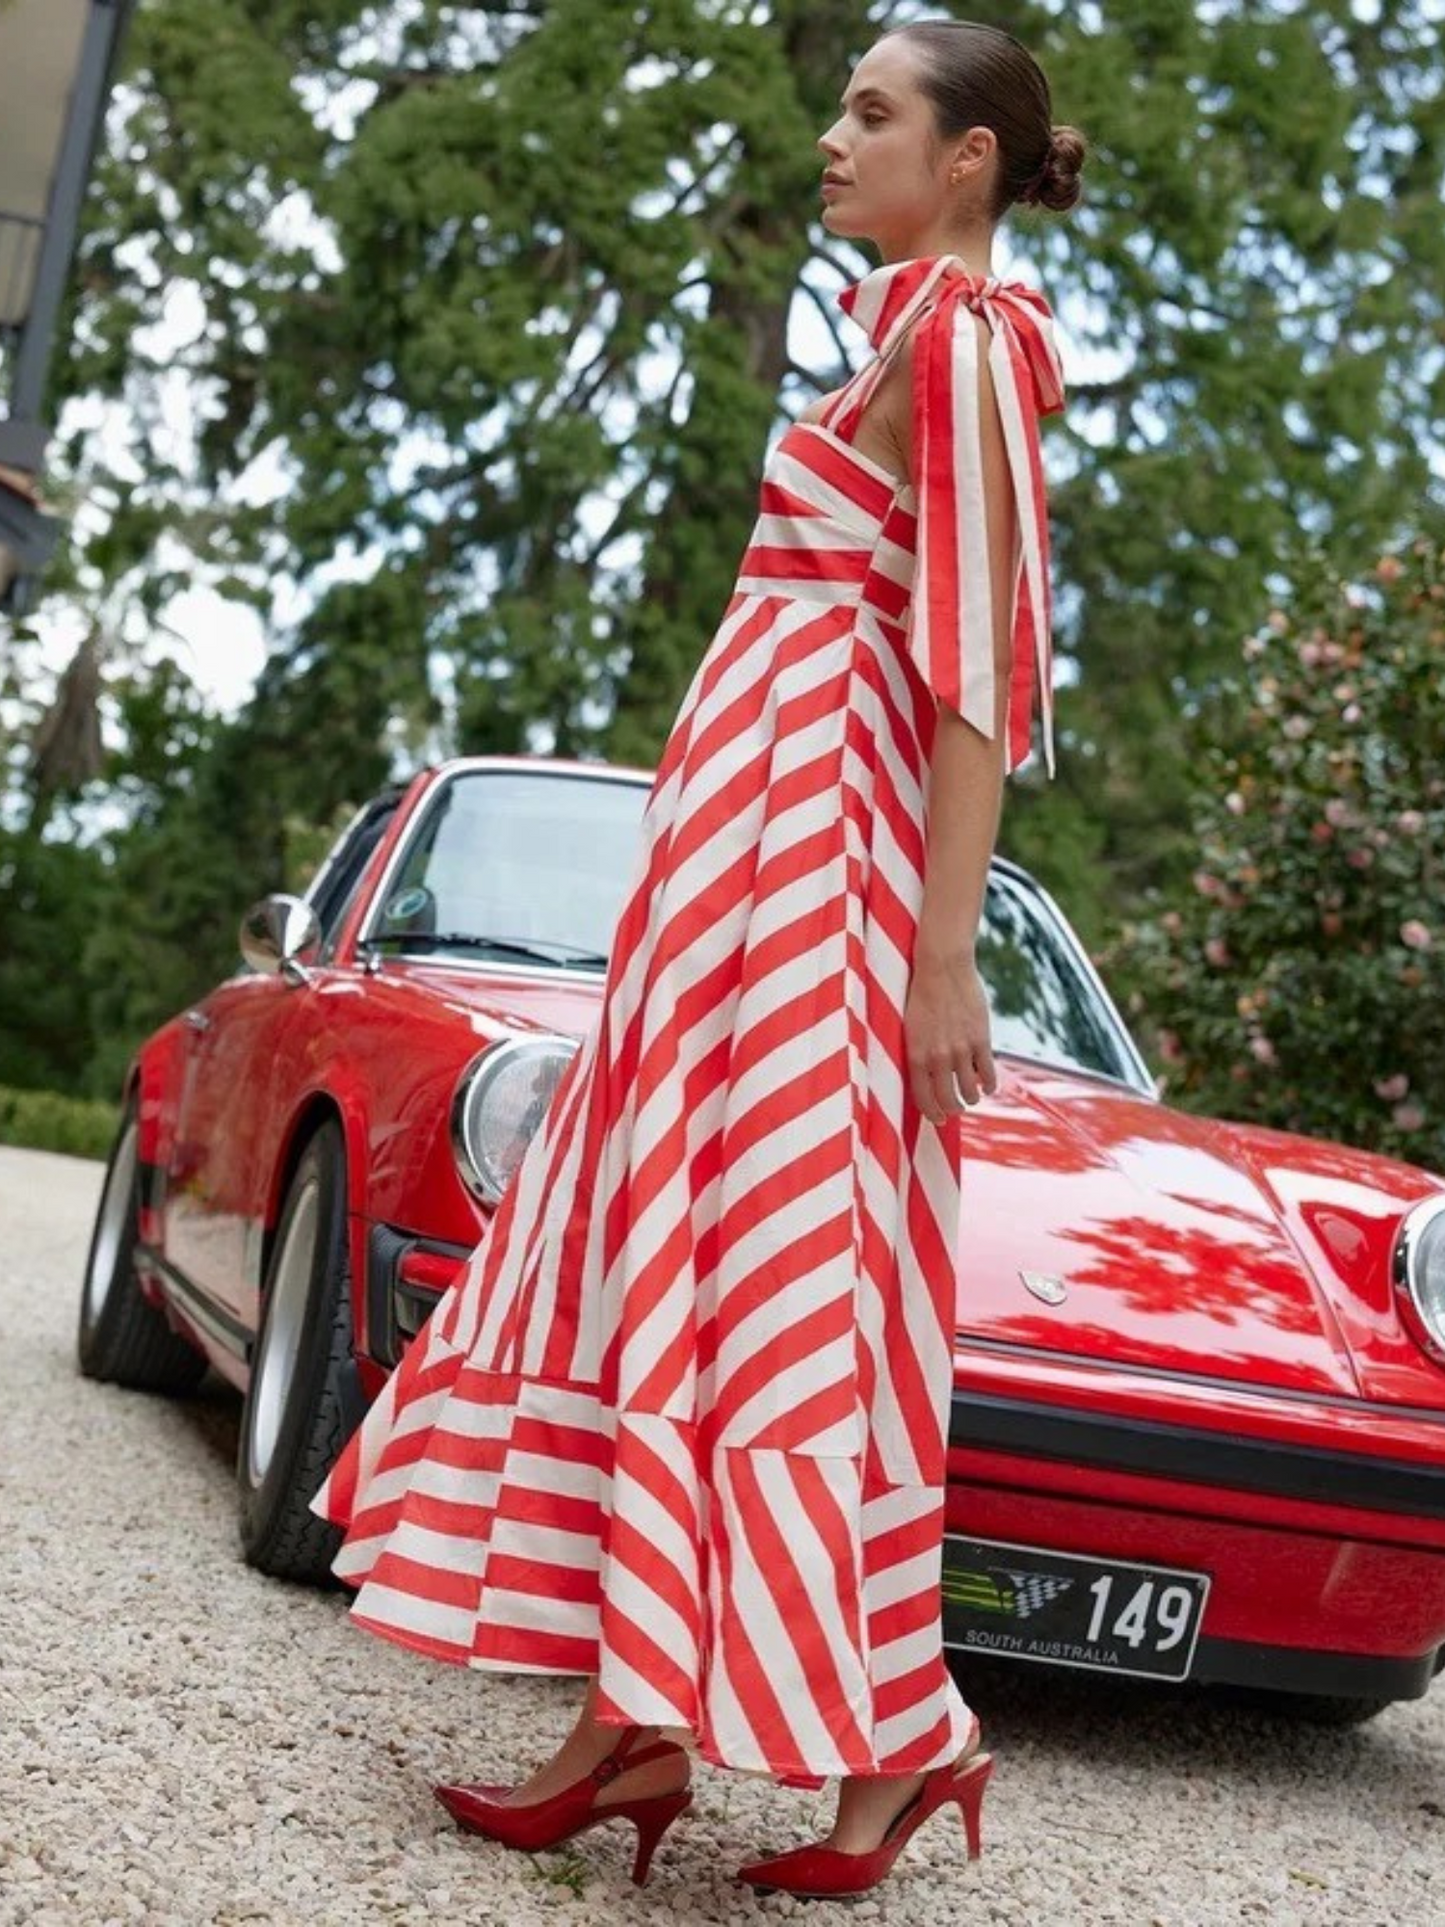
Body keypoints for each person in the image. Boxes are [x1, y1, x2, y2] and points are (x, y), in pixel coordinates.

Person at [308, 15, 1084, 1902]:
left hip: (829, 893)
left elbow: (978, 681)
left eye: (874, 113)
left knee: (805, 1289)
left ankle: (885, 1749)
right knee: (694, 1258)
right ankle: (646, 1712)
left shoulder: (967, 343)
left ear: (967, 159)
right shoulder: (899, 333)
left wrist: (941, 958)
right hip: (737, 883)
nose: (835, 140)